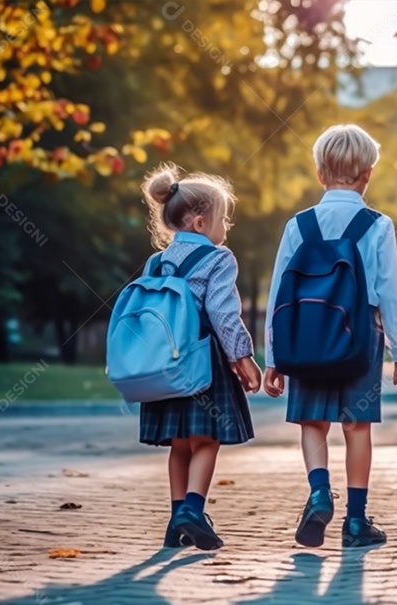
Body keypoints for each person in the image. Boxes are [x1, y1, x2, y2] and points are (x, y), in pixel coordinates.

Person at [263, 124, 397, 548]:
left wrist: (273, 357)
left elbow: (279, 290)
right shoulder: (377, 225)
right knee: (356, 426)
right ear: (368, 174)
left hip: (304, 335)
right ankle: (355, 520)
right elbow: (390, 291)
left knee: (313, 422)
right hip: (359, 337)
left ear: (319, 174)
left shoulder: (299, 225)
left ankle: (317, 492)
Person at [138, 163, 262, 551]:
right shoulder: (218, 258)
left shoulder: (155, 263)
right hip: (203, 362)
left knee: (179, 444)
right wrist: (244, 359)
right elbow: (224, 317)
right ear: (199, 221)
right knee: (206, 440)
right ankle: (193, 508)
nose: (225, 227)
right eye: (223, 218)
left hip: (164, 364)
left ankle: (177, 521)